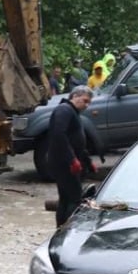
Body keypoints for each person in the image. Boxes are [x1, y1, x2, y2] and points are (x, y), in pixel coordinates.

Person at [48, 85, 96, 226]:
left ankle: (61, 227)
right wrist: (72, 160)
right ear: (75, 96)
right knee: (74, 198)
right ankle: (69, 228)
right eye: (85, 101)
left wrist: (87, 161)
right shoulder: (64, 110)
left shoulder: (72, 112)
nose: (87, 105)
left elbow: (76, 142)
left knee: (65, 197)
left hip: (67, 162)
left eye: (89, 103)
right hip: (63, 163)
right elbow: (59, 135)